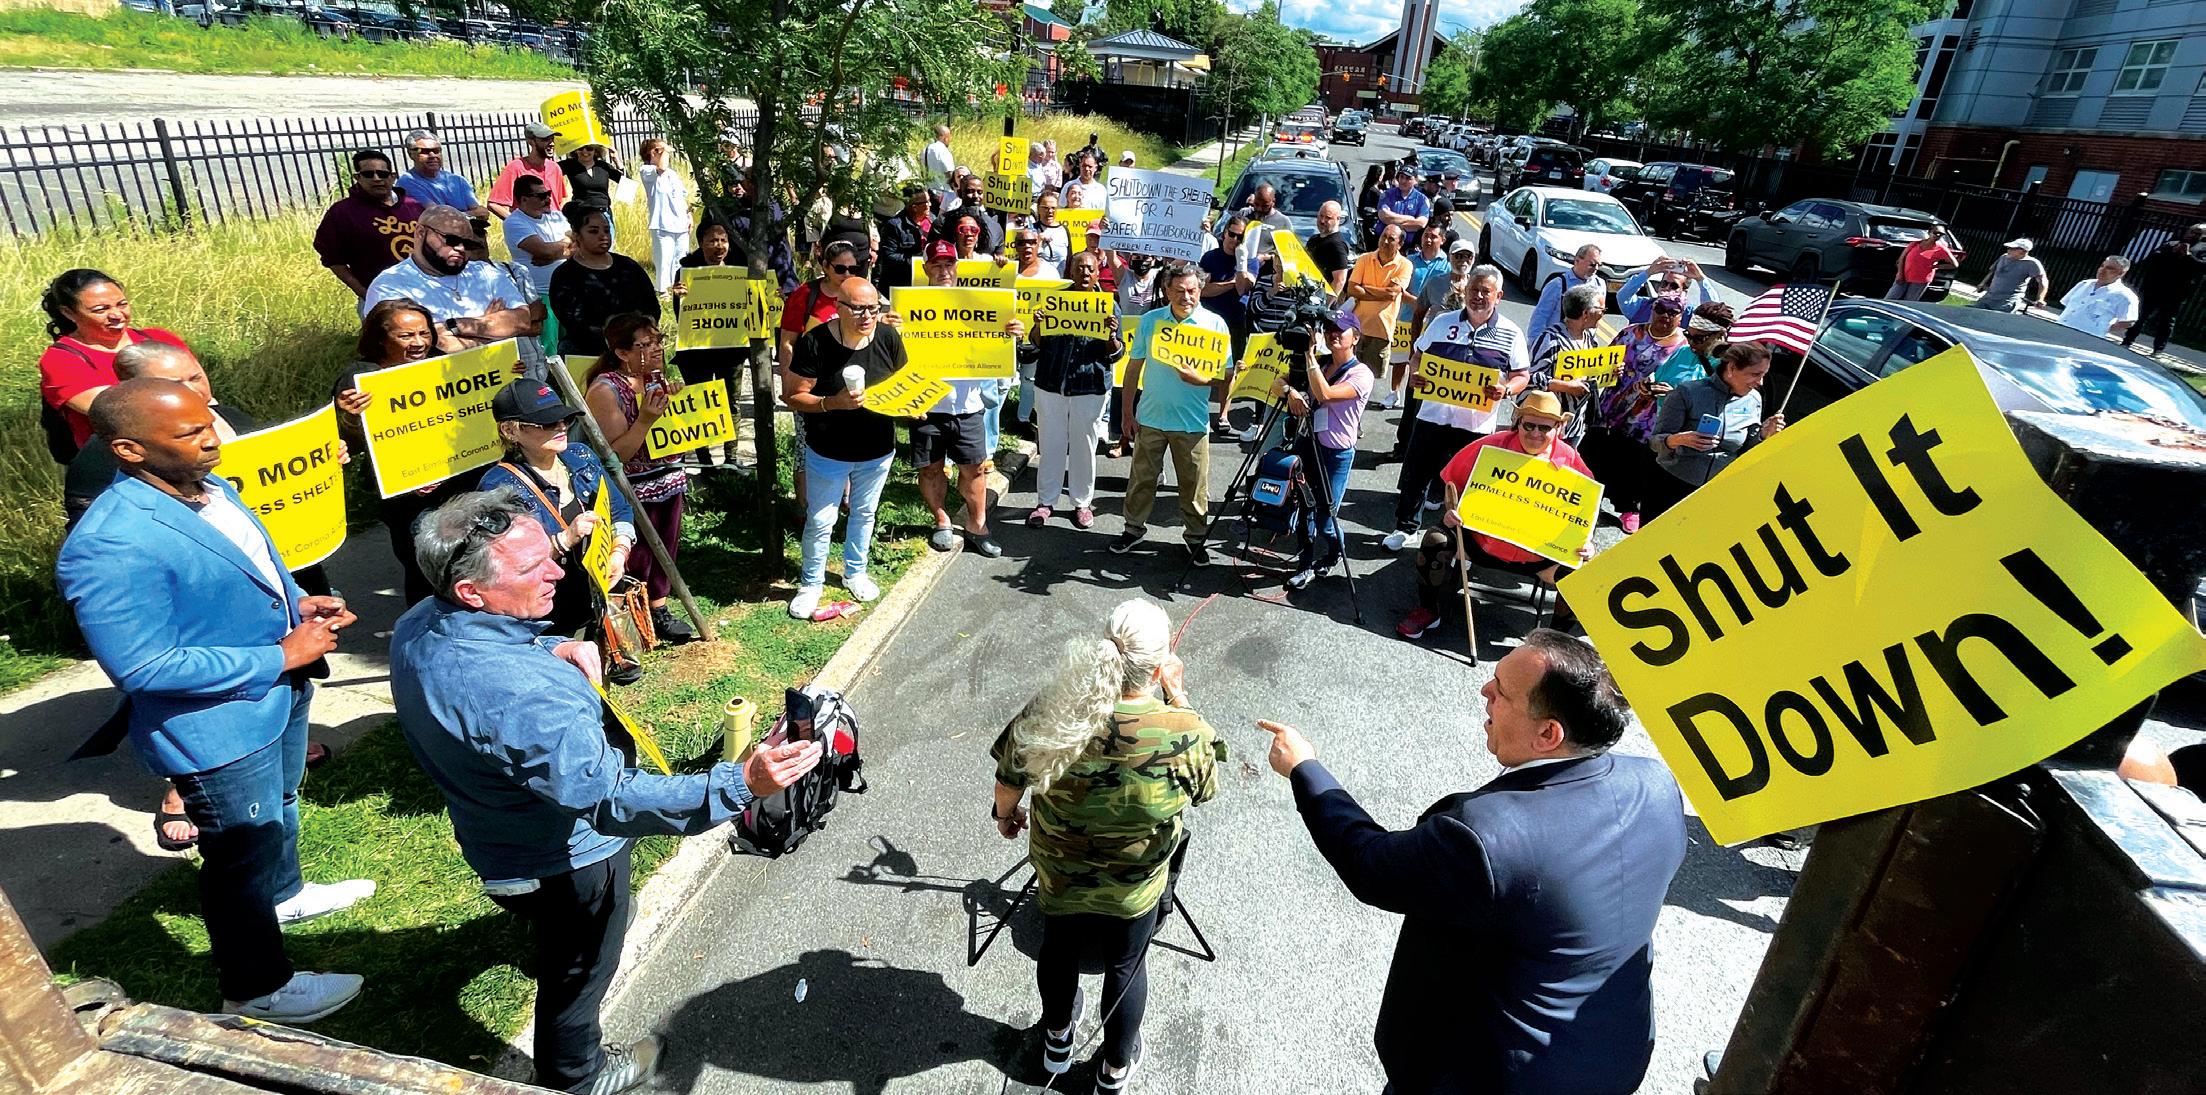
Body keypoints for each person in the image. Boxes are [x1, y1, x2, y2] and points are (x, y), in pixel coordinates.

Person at [392, 489, 823, 1094]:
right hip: (565, 859)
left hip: (495, 835)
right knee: (580, 970)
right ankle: (577, 1074)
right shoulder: (524, 695)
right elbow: (611, 799)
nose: (557, 571)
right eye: (532, 568)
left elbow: (483, 670)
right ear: (472, 591)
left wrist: (550, 645)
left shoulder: (418, 623)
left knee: (563, 936)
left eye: (550, 553)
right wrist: (742, 783)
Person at [60, 378, 373, 1025]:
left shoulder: (215, 488)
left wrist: (298, 603)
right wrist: (280, 656)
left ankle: (285, 895)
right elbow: (144, 665)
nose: (213, 439)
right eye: (190, 433)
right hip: (217, 725)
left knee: (279, 807)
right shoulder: (109, 543)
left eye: (209, 422)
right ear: (129, 449)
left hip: (278, 695)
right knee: (239, 856)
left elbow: (249, 571)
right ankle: (255, 988)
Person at [1256, 630, 1686, 1094]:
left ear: (1548, 734)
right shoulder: (1657, 784)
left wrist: (1304, 768)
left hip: (1497, 1076)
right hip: (1615, 1052)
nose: (1485, 691)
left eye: (1501, 691)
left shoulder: (1483, 839)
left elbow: (1370, 864)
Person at [990, 598, 1218, 1093]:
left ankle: (1056, 1039)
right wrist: (1178, 696)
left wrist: (1005, 816)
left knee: (1058, 947)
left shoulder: (1050, 708)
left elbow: (1008, 778)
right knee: (1125, 964)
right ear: (1158, 668)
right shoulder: (1186, 731)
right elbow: (1203, 791)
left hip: (1060, 871)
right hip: (1134, 884)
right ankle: (1113, 1071)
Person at [1399, 392, 1595, 639]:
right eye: (1529, 425)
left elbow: (1586, 509)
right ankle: (1428, 609)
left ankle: (1555, 640)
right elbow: (1451, 484)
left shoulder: (1570, 459)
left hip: (1538, 556)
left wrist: (1587, 542)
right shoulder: (1490, 447)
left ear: (1558, 427)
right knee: (1435, 539)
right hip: (1480, 543)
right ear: (1518, 422)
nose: (1535, 433)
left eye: (1544, 427)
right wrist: (1451, 510)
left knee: (1583, 572)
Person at [332, 299, 476, 605]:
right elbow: (349, 445)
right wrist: (348, 417)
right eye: (406, 336)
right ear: (381, 339)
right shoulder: (360, 378)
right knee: (425, 570)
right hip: (406, 498)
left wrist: (506, 374)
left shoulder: (442, 364)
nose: (418, 343)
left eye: (424, 333)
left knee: (469, 565)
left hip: (457, 485)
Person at [782, 278, 905, 619]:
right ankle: (810, 584)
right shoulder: (815, 342)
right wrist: (831, 403)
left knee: (865, 513)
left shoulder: (887, 336)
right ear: (838, 307)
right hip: (828, 450)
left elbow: (904, 381)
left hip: (878, 450)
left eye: (873, 309)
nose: (867, 316)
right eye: (858, 309)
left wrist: (913, 405)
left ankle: (855, 572)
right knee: (821, 520)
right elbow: (793, 396)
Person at [1385, 264, 1529, 553]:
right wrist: (1415, 373)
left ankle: (1464, 543)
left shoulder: (1512, 333)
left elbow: (1522, 375)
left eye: (1485, 291)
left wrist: (1506, 390)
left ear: (1498, 296)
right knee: (1417, 473)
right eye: (1474, 289)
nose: (1478, 296)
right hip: (1433, 415)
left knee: (1469, 483)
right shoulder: (1442, 323)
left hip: (1476, 424)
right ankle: (1406, 528)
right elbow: (1418, 355)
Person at [478, 378, 634, 636]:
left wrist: (619, 552)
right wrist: (563, 540)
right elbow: (503, 565)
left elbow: (620, 510)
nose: (561, 427)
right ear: (510, 431)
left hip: (597, 605)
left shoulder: (581, 456)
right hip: (546, 622)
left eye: (565, 419)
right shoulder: (498, 486)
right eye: (547, 422)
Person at [584, 315, 694, 642]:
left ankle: (658, 608)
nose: (657, 349)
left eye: (658, 341)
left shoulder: (655, 378)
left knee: (666, 547)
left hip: (668, 479)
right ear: (622, 353)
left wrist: (680, 403)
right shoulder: (605, 389)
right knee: (637, 554)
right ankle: (628, 617)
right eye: (645, 344)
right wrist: (645, 419)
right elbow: (616, 456)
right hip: (633, 488)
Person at [1113, 264, 1228, 564]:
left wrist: (1202, 380)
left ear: (1200, 290)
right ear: (1166, 291)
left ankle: (1195, 537)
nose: (1186, 297)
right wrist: (1127, 413)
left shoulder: (1215, 325)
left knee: (1194, 486)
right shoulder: (1150, 321)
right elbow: (1132, 369)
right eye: (1179, 291)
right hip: (1151, 418)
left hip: (1192, 423)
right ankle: (1133, 529)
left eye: (1192, 290)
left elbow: (1227, 375)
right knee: (1142, 480)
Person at [912, 242, 1021, 558]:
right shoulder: (909, 306)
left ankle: (977, 526)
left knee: (975, 471)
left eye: (949, 264)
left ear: (957, 268)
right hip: (926, 406)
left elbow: (996, 343)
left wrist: (1012, 331)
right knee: (930, 469)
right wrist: (891, 328)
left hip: (968, 405)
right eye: (937, 265)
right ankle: (941, 520)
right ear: (925, 268)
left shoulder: (979, 303)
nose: (943, 270)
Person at [362, 205, 546, 373]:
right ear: (420, 232)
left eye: (468, 244)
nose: (460, 249)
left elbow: (522, 320)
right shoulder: (390, 285)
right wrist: (492, 330)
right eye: (451, 240)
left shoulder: (485, 272)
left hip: (499, 378)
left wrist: (455, 326)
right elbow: (407, 349)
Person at [38, 268, 190, 457]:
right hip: (120, 461)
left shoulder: (160, 338)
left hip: (191, 445)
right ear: (68, 313)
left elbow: (200, 388)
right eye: (101, 310)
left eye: (122, 304)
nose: (117, 315)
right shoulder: (61, 360)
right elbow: (118, 413)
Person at [1021, 250, 1123, 530]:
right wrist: (1038, 325)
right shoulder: (1054, 301)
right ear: (1070, 271)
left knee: (1084, 447)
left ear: (1098, 272)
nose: (1085, 273)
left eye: (1090, 269)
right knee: (1050, 445)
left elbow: (1116, 354)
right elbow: (1036, 343)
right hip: (1051, 384)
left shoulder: (1109, 307)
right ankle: (1045, 502)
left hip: (1089, 387)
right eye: (1079, 268)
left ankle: (1082, 503)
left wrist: (1111, 335)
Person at [1278, 309, 1373, 592]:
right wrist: (1291, 392)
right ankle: (1304, 564)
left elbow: (1326, 394)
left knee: (1326, 519)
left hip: (1336, 454)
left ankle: (1333, 552)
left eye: (1340, 330)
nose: (1333, 334)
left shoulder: (1361, 374)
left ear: (1355, 338)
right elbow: (1277, 382)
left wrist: (1309, 355)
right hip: (1307, 444)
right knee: (1303, 507)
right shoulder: (1320, 362)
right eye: (1329, 329)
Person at [1583, 293, 1687, 533]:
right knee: (1597, 453)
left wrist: (1669, 390)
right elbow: (1601, 364)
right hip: (1611, 407)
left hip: (1646, 417)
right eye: (1660, 309)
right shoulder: (1630, 333)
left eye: (1673, 312)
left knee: (1633, 463)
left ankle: (1628, 507)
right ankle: (1586, 497)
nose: (1665, 315)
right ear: (1652, 309)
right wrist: (1611, 369)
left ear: (1681, 316)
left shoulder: (1683, 347)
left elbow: (1687, 382)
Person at [1648, 340, 1788, 517]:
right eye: (1755, 374)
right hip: (1671, 485)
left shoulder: (1754, 400)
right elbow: (1655, 442)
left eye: (1764, 375)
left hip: (1714, 493)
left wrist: (1762, 436)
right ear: (1731, 368)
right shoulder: (1687, 392)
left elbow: (1746, 450)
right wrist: (1679, 440)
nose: (1760, 382)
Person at [1395, 239, 1479, 459]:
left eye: (1467, 256)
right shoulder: (1435, 283)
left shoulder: (1477, 289)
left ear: (1473, 259)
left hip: (1459, 360)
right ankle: (1403, 447)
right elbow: (1418, 314)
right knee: (1414, 402)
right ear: (1450, 258)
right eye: (1458, 256)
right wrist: (1414, 348)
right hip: (1431, 354)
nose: (1462, 261)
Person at [313, 149, 426, 299]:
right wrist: (363, 292)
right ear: (357, 177)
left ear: (393, 176)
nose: (377, 179)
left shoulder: (413, 206)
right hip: (380, 296)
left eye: (382, 174)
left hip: (424, 291)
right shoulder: (342, 213)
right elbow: (333, 259)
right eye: (368, 174)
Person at [550, 207, 660, 357]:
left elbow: (651, 306)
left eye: (607, 230)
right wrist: (615, 340)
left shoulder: (629, 266)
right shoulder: (565, 275)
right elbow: (573, 321)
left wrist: (641, 334)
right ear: (577, 235)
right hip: (587, 352)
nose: (603, 236)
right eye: (593, 231)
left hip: (637, 349)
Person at [1340, 223, 1414, 408]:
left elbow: (1393, 294)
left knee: (1369, 378)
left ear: (1400, 244)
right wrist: (1381, 292)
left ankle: (1358, 410)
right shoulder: (1364, 259)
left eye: (1391, 239)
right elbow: (1352, 289)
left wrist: (1365, 289)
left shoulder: (1405, 265)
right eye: (1383, 237)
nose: (1385, 241)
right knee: (1349, 374)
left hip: (1381, 331)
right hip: (1356, 327)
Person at [1528, 282, 1608, 447]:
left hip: (1575, 425)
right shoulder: (1550, 339)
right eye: (1602, 310)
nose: (1603, 315)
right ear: (1586, 313)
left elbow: (1590, 374)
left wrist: (1609, 371)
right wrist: (1567, 387)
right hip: (1547, 425)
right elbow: (1532, 378)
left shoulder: (1589, 340)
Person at [2123, 223, 2206, 356]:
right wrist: (2172, 252)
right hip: (2155, 287)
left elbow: (2202, 267)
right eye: (2192, 231)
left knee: (2166, 321)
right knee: (2141, 315)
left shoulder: (2202, 249)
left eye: (2198, 233)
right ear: (2187, 231)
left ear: (2203, 236)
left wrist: (2188, 256)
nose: (2193, 235)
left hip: (2177, 291)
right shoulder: (2171, 244)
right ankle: (2127, 341)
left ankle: (2158, 349)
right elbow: (2153, 258)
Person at [397, 129, 489, 226]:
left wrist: (464, 215)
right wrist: (470, 214)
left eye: (436, 150)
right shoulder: (407, 182)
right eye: (425, 151)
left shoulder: (458, 180)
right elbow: (438, 217)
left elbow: (482, 213)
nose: (432, 155)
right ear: (411, 154)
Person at [503, 177, 574, 301]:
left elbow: (583, 245)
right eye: (541, 196)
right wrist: (568, 240)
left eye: (548, 194)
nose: (548, 199)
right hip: (540, 294)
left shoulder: (558, 217)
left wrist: (554, 256)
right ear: (524, 199)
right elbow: (544, 251)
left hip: (570, 289)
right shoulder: (514, 222)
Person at [637, 138, 693, 293]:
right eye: (660, 151)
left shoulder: (672, 174)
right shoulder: (647, 170)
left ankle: (678, 288)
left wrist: (689, 216)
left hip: (680, 224)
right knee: (664, 259)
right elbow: (661, 167)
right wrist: (664, 150)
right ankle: (663, 290)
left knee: (680, 258)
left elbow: (682, 197)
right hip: (662, 223)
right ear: (652, 153)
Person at [488, 121, 568, 221]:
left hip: (554, 227)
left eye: (552, 139)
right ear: (531, 141)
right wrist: (520, 224)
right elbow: (494, 204)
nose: (551, 143)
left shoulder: (554, 168)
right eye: (545, 139)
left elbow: (559, 202)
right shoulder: (515, 168)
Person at [1525, 243, 1602, 340]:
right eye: (1592, 264)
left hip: (1584, 344)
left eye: (1599, 265)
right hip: (1559, 341)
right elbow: (1540, 316)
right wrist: (1535, 342)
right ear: (1577, 260)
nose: (1596, 268)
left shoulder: (1600, 285)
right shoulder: (1557, 285)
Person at [1651, 300, 1734, 390]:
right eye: (1688, 335)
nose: (1691, 342)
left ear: (1720, 335)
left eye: (1698, 339)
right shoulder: (1683, 352)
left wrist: (1675, 395)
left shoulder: (1728, 367)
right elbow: (1657, 378)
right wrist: (1649, 386)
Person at [1613, 256, 1716, 327]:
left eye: (1674, 286)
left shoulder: (1688, 315)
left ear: (1684, 292)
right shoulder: (1642, 306)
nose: (1667, 288)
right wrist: (1648, 272)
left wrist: (1700, 278)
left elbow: (1713, 312)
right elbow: (1623, 296)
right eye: (1664, 284)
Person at [2057, 254, 2143, 339]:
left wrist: (2102, 329)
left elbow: (2127, 322)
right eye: (2102, 266)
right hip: (2060, 328)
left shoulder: (2125, 295)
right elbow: (2067, 304)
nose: (2102, 270)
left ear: (2121, 273)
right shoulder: (2084, 284)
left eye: (2110, 268)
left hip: (2086, 338)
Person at [875, 183, 932, 293]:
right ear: (914, 207)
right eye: (926, 202)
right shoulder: (894, 225)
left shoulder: (932, 222)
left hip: (925, 284)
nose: (930, 204)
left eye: (929, 200)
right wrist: (917, 260)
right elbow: (889, 256)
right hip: (901, 285)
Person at [1971, 238, 2047, 314]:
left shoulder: (2031, 263)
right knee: (1974, 314)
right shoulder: (2003, 257)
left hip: (2008, 300)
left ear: (2023, 251)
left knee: (1998, 319)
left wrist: (2040, 299)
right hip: (1989, 296)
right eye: (2009, 248)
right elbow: (1992, 271)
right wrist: (1982, 283)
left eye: (2012, 248)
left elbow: (2043, 281)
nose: (2009, 250)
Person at [1887, 223, 1961, 300]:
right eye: (1935, 233)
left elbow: (1955, 264)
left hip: (1921, 280)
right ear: (1929, 232)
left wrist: (1936, 266)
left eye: (1941, 234)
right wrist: (1900, 274)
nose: (1937, 235)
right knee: (1890, 298)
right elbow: (1901, 259)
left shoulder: (1941, 249)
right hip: (1904, 276)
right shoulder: (1915, 244)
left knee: (1909, 301)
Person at [1307, 200, 1355, 295]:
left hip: (1320, 300)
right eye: (1321, 216)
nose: (1322, 221)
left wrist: (1326, 303)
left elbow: (1339, 281)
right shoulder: (1313, 240)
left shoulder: (1336, 245)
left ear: (1338, 219)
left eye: (1328, 218)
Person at [1375, 164, 1431, 239]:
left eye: (1408, 178)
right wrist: (1410, 219)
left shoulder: (1422, 199)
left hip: (1408, 244)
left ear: (1416, 180)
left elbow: (1421, 223)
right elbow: (1385, 216)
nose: (1403, 181)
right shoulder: (1387, 194)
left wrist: (1396, 224)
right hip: (1385, 240)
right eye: (1401, 177)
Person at [922, 123, 957, 200]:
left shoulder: (925, 150)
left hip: (929, 192)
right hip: (944, 194)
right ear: (945, 138)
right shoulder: (943, 150)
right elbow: (950, 173)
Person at [1356, 164, 1384, 244]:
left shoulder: (1366, 188)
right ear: (1379, 177)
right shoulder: (1375, 193)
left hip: (1365, 222)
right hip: (1372, 223)